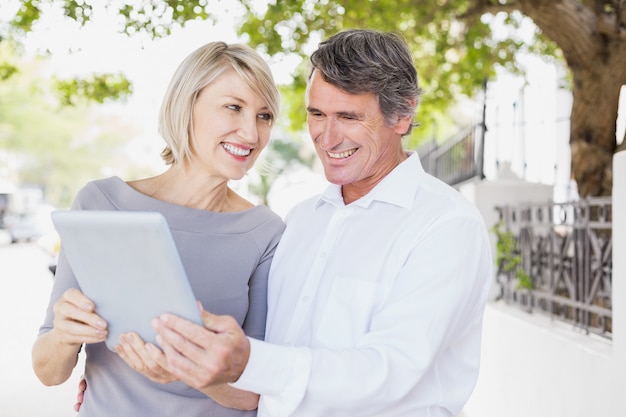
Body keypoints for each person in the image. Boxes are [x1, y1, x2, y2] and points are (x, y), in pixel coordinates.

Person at [78, 29, 493, 417]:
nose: (327, 138)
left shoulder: (445, 226)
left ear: (401, 116)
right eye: (316, 113)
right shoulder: (299, 221)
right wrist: (151, 374)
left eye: (348, 117)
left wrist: (249, 360)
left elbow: (390, 370)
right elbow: (262, 380)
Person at [32, 41, 285, 417]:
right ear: (186, 106)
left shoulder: (265, 233)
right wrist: (66, 336)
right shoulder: (101, 204)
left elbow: (256, 394)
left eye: (264, 116)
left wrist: (191, 373)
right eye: (234, 107)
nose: (250, 133)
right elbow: (49, 372)